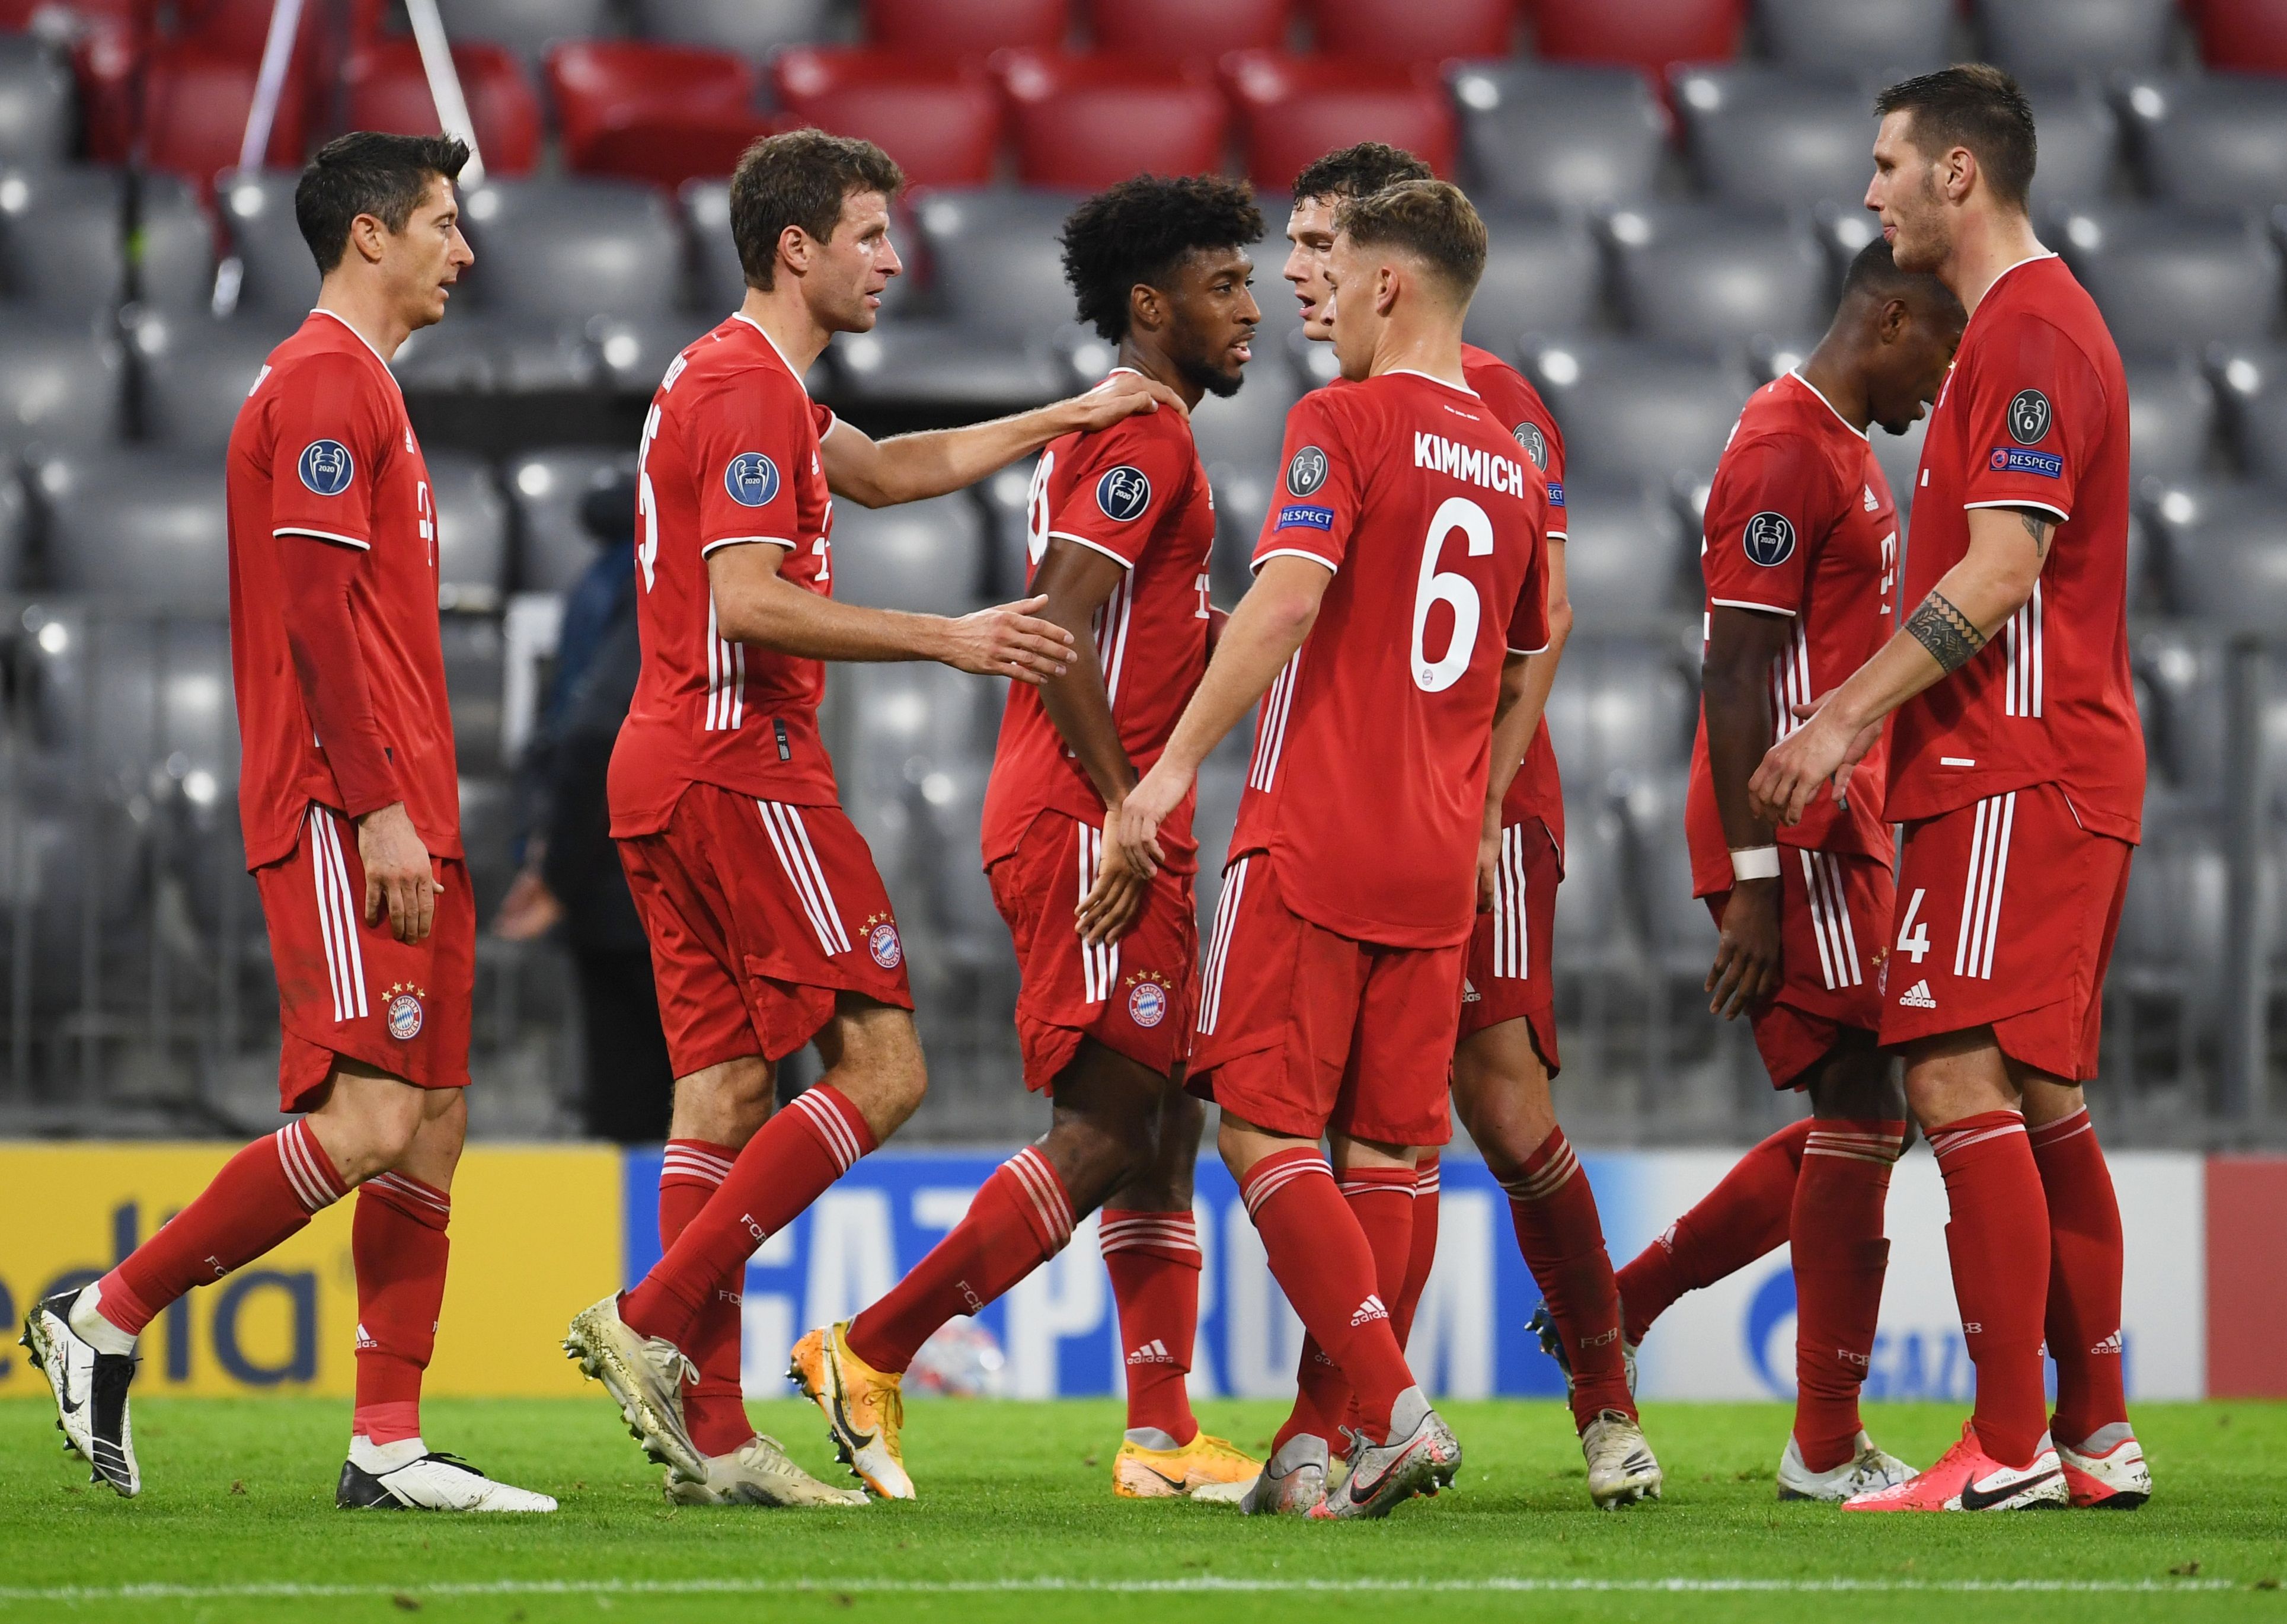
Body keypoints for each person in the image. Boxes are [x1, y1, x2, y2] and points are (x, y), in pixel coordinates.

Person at [560, 129, 1184, 1508]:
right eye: (871, 234)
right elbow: (748, 597)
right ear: (798, 247)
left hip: (667, 765)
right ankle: (653, 1314)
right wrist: (945, 637)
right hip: (740, 760)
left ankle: (713, 1436)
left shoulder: (749, 382)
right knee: (886, 1066)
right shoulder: (742, 389)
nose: (895, 259)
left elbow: (891, 470)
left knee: (723, 1088)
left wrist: (1057, 418)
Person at [20, 132, 553, 1513]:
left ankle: (388, 1443)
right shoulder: (324, 381)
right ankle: (105, 1313)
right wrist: (374, 806)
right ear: (369, 235)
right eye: (442, 221)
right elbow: (315, 613)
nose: (465, 248)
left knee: (431, 1116)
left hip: (407, 810)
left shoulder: (367, 387)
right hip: (341, 806)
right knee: (371, 1117)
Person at [790, 175, 1266, 1502]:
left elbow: (1134, 630)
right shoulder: (1146, 439)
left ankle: (1163, 1434)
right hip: (1079, 810)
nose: (1250, 310)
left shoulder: (1145, 433)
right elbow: (1057, 627)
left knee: (1157, 1116)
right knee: (1110, 1122)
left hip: (1088, 801)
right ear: (1150, 304)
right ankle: (869, 1349)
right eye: (1224, 286)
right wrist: (1129, 800)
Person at [1103, 179, 1551, 1520]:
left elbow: (1292, 595)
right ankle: (1316, 1441)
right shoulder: (1515, 462)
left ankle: (1392, 1405)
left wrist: (1172, 762)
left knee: (1257, 1128)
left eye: (1334, 271)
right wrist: (1478, 816)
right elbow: (1530, 650)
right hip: (1435, 856)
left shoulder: (1341, 421)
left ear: (1391, 288)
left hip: (1313, 833)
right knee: (1389, 1157)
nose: (1318, 295)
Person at [1751, 65, 2149, 1513]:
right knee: (2042, 1091)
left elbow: (2000, 569)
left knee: (1952, 1069)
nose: (1870, 194)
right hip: (2041, 761)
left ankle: (2005, 1440)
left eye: (1887, 166)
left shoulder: (2030, 330)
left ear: (1957, 178)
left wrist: (1841, 722)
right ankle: (2095, 1432)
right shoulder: (2031, 328)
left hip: (2011, 765)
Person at [1272, 142, 1657, 1511]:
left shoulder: (1489, 404)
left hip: (1473, 802)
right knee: (1345, 1124)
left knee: (1494, 1106)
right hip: (1389, 802)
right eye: (1297, 245)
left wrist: (1486, 787)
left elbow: (1542, 625)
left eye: (1320, 245)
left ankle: (1604, 1403)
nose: (1299, 274)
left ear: (1389, 265)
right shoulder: (1353, 410)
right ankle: (1329, 1430)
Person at [1614, 240, 1965, 1502]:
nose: (1943, 387)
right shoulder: (1780, 445)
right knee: (1870, 1104)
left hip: (1831, 816)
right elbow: (1734, 668)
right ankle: (1823, 1444)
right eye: (1940, 351)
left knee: (1870, 1114)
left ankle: (1631, 1303)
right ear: (1886, 318)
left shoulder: (1838, 447)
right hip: (1791, 823)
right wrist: (1756, 879)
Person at [494, 467, 678, 1143]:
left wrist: (557, 866)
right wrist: (559, 873)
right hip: (654, 879)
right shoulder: (663, 584)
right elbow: (600, 732)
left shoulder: (599, 579)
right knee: (705, 1102)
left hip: (609, 881)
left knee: (631, 1096)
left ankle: (658, 1243)